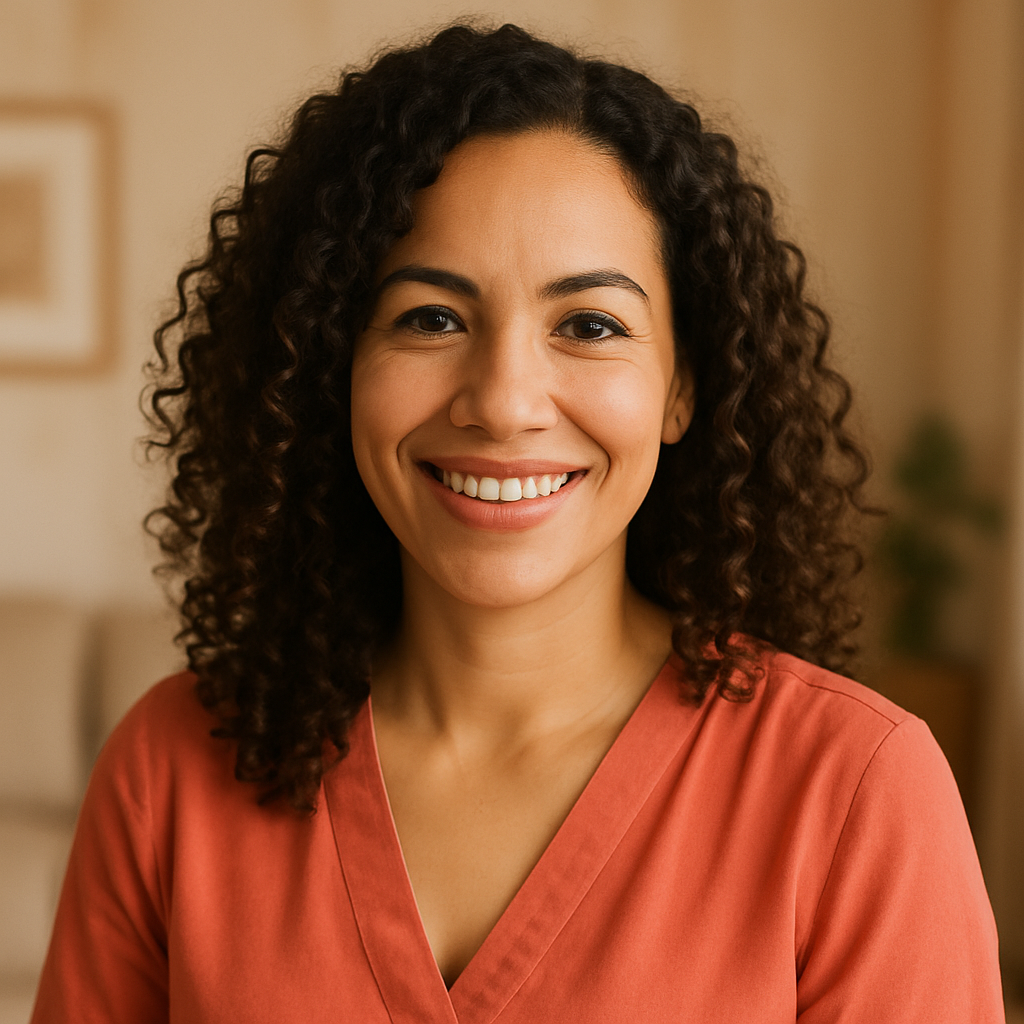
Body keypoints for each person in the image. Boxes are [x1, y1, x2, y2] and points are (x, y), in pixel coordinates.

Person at [32, 22, 1004, 1024]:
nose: (503, 400)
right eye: (430, 317)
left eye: (589, 325)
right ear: (333, 369)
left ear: (682, 390)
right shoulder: (168, 768)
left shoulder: (855, 790)